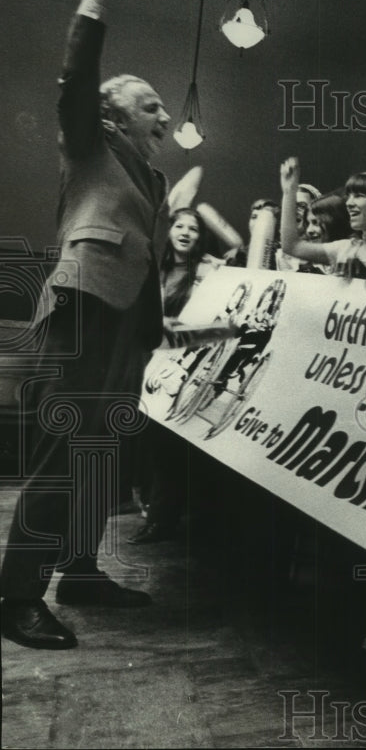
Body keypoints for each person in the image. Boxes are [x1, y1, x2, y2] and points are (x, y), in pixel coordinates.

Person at [1, 0, 167, 650]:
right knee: (64, 453)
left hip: (124, 322)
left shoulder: (147, 179)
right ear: (111, 117)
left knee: (103, 453)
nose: (162, 115)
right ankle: (14, 598)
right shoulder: (88, 144)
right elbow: (77, 79)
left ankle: (81, 570)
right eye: (150, 105)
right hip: (80, 310)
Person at [130, 208, 222, 545]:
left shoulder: (208, 269)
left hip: (187, 364)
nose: (185, 232)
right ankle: (155, 515)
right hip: (147, 361)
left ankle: (166, 519)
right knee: (149, 445)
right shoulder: (155, 268)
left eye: (193, 228)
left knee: (176, 445)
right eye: (179, 226)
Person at [280, 160, 366, 282]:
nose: (349, 203)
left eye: (358, 196)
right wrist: (289, 191)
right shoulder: (345, 247)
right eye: (349, 196)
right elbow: (292, 246)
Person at [225, 199, 280, 270]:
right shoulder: (241, 252)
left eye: (264, 219)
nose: (258, 223)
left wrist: (239, 254)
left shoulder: (281, 252)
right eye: (254, 217)